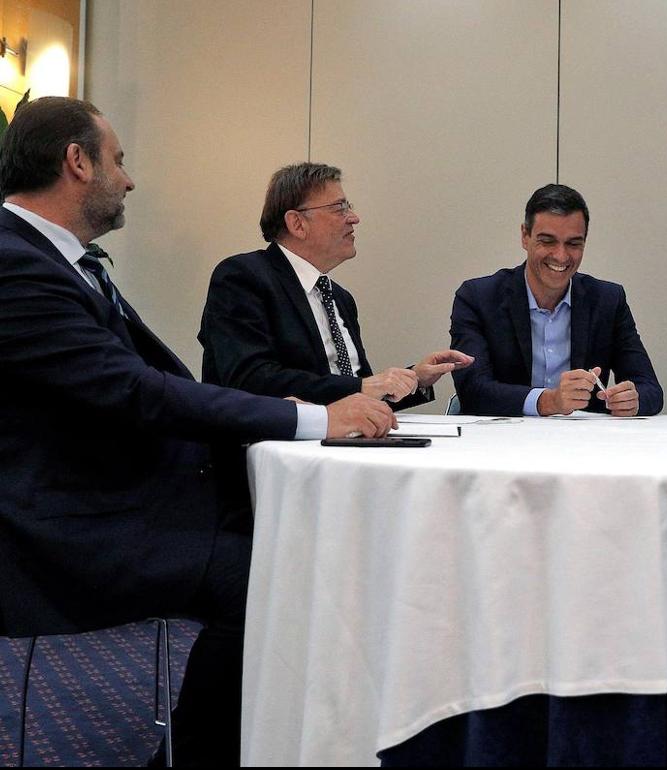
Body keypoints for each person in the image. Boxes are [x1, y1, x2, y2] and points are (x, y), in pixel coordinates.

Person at [0, 97, 395, 766]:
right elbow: (134, 391)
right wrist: (316, 417)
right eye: (118, 160)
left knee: (309, 548)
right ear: (77, 162)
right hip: (73, 520)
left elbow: (142, 387)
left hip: (127, 490)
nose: (128, 180)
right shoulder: (17, 262)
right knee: (278, 576)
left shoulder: (55, 259)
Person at [198, 163, 472, 408]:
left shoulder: (340, 298)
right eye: (340, 208)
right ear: (297, 223)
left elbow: (359, 396)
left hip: (342, 439)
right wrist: (363, 387)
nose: (354, 217)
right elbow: (250, 379)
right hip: (270, 444)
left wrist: (414, 379)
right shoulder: (242, 277)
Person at [449, 183, 662, 416]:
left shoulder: (608, 300)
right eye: (547, 241)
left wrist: (632, 400)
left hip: (583, 436)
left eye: (573, 243)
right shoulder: (478, 298)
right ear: (525, 236)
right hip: (501, 434)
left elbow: (650, 389)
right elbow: (473, 390)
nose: (561, 256)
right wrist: (547, 401)